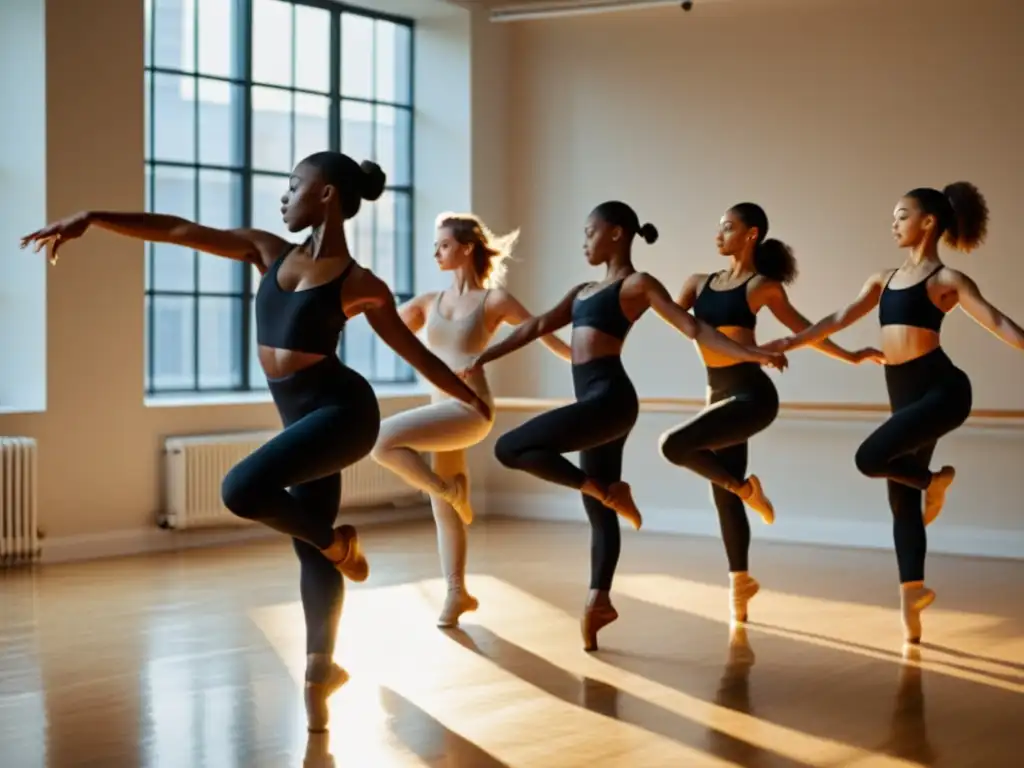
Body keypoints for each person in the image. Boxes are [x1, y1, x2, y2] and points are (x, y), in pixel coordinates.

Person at [20, 152, 491, 731]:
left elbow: (412, 352)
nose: (283, 196)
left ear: (326, 196)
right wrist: (92, 216)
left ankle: (338, 545)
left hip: (345, 415)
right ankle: (321, 671)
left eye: (294, 186)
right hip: (304, 424)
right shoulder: (266, 251)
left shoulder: (362, 284)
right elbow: (176, 230)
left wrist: (470, 398)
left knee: (240, 488)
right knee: (307, 542)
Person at [460, 200, 787, 651]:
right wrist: (485, 357)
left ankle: (605, 491)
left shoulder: (637, 285)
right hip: (595, 404)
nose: (584, 241)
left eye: (590, 231)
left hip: (611, 402)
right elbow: (535, 326)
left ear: (616, 233)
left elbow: (694, 329)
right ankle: (600, 602)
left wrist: (752, 354)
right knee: (599, 514)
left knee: (510, 449)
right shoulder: (581, 291)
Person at [763, 181, 1024, 643]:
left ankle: (935, 482)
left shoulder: (946, 281)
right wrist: (792, 342)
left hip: (943, 391)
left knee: (870, 459)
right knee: (900, 500)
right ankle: (912, 597)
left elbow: (999, 322)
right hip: (903, 393)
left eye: (902, 214)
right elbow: (838, 318)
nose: (894, 222)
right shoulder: (881, 280)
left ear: (929, 222)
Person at [660, 203, 882, 622]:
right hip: (716, 394)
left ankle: (748, 492)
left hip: (751, 397)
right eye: (718, 227)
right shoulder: (697, 283)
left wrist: (851, 356)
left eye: (728, 227)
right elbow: (675, 318)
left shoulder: (762, 287)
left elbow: (807, 330)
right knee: (722, 493)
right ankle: (740, 584)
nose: (718, 235)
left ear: (751, 234)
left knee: (673, 445)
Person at [370, 212, 571, 628]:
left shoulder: (492, 301)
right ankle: (456, 592)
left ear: (466, 248)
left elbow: (541, 331)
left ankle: (450, 490)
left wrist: (584, 357)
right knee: (440, 508)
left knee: (382, 441)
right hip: (441, 410)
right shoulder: (429, 302)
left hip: (470, 408)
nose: (435, 252)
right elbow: (382, 321)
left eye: (443, 245)